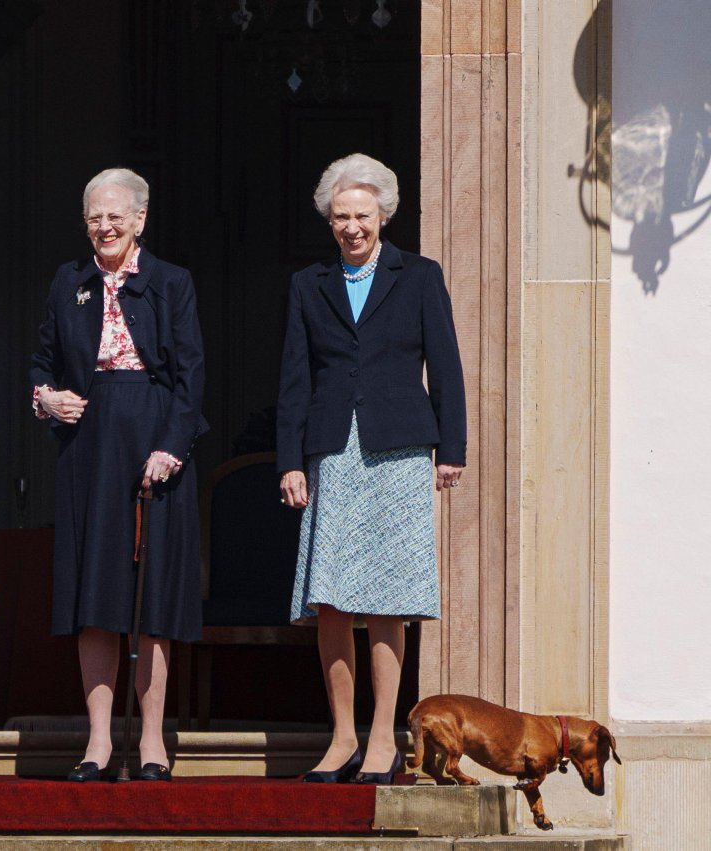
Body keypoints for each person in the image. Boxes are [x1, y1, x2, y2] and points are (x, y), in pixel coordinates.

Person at [276, 153, 466, 785]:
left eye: (361, 215)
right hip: (331, 452)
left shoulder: (419, 276)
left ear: (383, 214)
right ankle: (341, 738)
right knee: (330, 597)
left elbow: (446, 364)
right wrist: (290, 462)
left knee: (387, 596)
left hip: (400, 449)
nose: (351, 227)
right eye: (339, 217)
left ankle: (384, 737)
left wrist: (454, 450)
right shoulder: (309, 284)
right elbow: (294, 380)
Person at [30, 167, 207, 782]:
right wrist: (46, 398)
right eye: (93, 218)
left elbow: (191, 377)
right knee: (95, 596)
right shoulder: (67, 282)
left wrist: (171, 448)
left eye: (115, 217)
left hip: (157, 441)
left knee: (153, 597)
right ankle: (99, 743)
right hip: (90, 443)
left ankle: (154, 743)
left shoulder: (171, 282)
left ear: (139, 221)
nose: (103, 227)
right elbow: (43, 364)